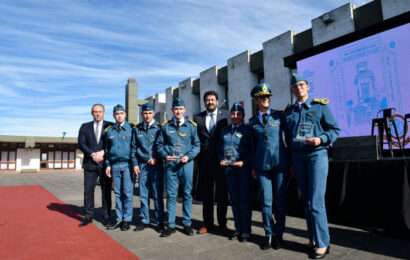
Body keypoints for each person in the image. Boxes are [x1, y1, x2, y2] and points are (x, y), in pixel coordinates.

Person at [283, 74, 340, 259]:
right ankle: (313, 237)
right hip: (298, 158)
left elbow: (334, 130)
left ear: (307, 87)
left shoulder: (319, 106)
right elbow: (287, 137)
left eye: (301, 85)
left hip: (317, 155)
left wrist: (321, 139)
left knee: (316, 201)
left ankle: (323, 243)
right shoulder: (289, 111)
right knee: (307, 202)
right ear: (292, 90)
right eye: (295, 86)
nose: (299, 88)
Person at [249, 83, 288, 250]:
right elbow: (251, 147)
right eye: (262, 97)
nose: (266, 99)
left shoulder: (280, 116)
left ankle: (279, 235)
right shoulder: (252, 122)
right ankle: (269, 235)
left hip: (280, 164)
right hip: (262, 167)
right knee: (266, 202)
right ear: (256, 100)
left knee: (280, 202)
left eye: (267, 96)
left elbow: (290, 138)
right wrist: (253, 167)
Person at [156, 98, 200, 237]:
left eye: (180, 109)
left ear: (184, 110)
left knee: (187, 194)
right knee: (171, 195)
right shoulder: (165, 127)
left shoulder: (191, 126)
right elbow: (159, 145)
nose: (178, 111)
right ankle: (171, 224)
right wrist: (164, 155)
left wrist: (189, 156)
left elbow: (197, 145)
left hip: (186, 164)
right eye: (176, 109)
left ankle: (187, 223)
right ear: (172, 111)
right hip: (171, 165)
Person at [193, 91, 229, 234]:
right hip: (204, 162)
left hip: (222, 161)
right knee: (207, 195)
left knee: (222, 195)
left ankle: (222, 224)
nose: (210, 102)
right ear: (204, 102)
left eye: (212, 99)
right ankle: (207, 224)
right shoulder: (198, 118)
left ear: (217, 101)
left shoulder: (226, 116)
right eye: (207, 100)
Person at [218, 103, 252, 242]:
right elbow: (220, 149)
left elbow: (252, 150)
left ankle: (246, 231)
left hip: (242, 170)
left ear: (243, 116)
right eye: (233, 113)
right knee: (235, 201)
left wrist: (244, 162)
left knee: (244, 201)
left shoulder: (248, 130)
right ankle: (238, 228)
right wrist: (220, 159)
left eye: (238, 114)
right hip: (229, 170)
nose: (235, 116)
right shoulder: (225, 130)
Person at [104, 104, 139, 231]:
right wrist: (108, 165)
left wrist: (134, 164)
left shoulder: (131, 129)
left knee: (127, 193)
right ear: (114, 115)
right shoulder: (110, 131)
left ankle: (127, 219)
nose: (119, 116)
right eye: (117, 114)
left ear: (125, 115)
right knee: (118, 194)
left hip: (127, 165)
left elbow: (134, 148)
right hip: (115, 166)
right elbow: (107, 150)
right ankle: (119, 218)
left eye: (121, 113)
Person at [78, 103, 113, 227]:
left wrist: (103, 152)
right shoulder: (85, 127)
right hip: (89, 164)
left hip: (105, 164)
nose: (97, 114)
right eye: (95, 112)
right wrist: (92, 154)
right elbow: (81, 143)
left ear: (104, 112)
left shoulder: (111, 126)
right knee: (88, 190)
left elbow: (113, 143)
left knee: (106, 191)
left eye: (100, 111)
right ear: (92, 113)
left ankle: (107, 216)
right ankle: (88, 215)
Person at [133, 103, 164, 232]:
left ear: (153, 114)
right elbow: (133, 148)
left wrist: (156, 158)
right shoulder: (137, 129)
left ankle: (160, 221)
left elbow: (162, 146)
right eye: (145, 113)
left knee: (157, 194)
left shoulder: (160, 128)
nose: (147, 115)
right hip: (143, 165)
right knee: (143, 194)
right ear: (142, 114)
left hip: (156, 165)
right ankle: (144, 220)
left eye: (149, 113)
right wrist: (135, 163)